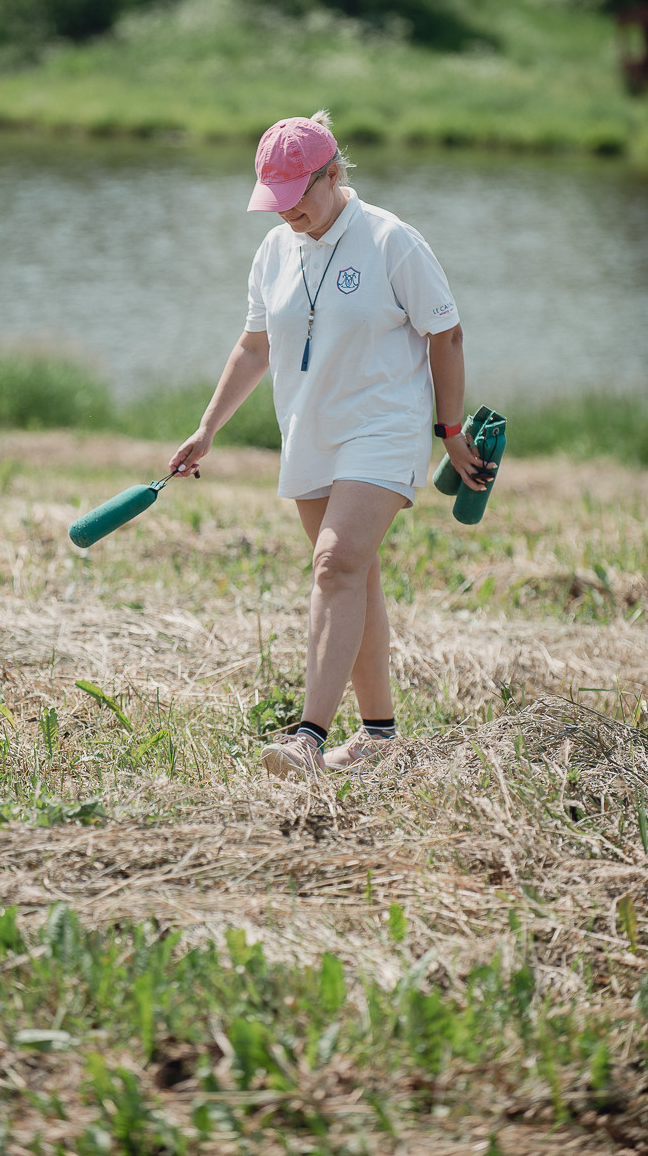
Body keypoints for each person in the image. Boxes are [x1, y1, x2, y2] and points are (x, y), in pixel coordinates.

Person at [169, 111, 493, 777]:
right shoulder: (273, 251)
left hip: (383, 428)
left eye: (297, 199)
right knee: (354, 578)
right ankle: (379, 739)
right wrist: (207, 428)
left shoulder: (390, 240)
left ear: (333, 175)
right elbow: (255, 346)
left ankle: (307, 738)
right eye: (276, 201)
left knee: (335, 563)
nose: (287, 214)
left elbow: (447, 334)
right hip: (309, 433)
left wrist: (451, 434)